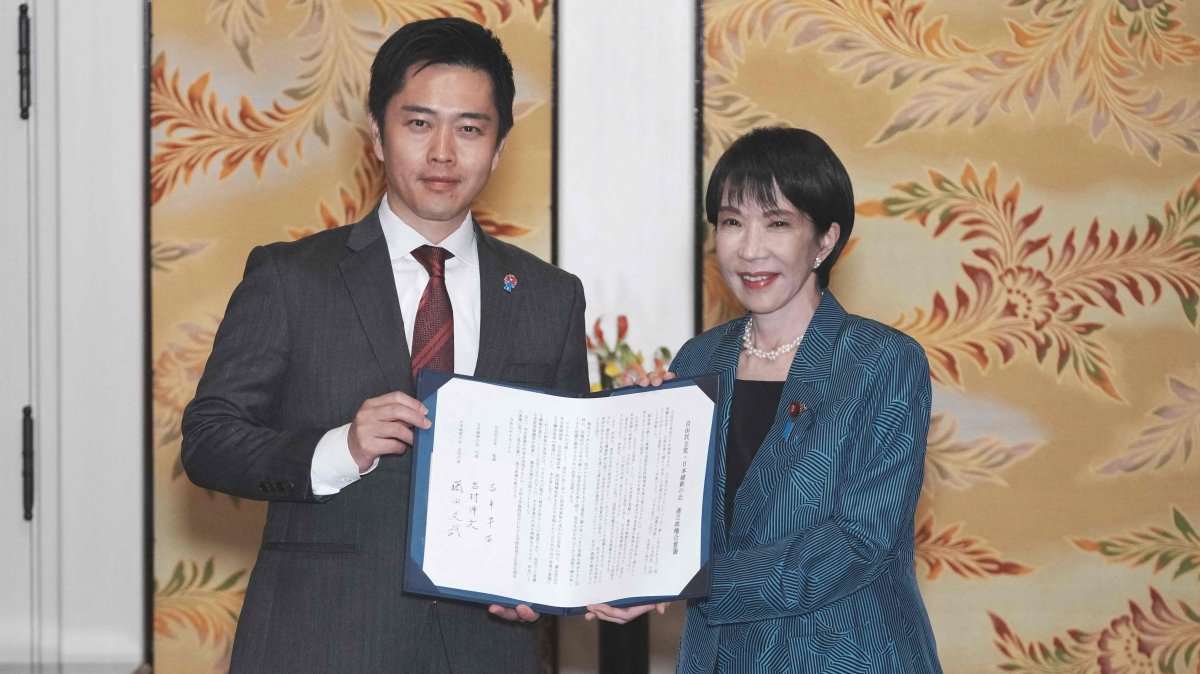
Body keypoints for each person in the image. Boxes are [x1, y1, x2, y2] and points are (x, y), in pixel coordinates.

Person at [181, 17, 587, 674]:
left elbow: (565, 484)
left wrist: (544, 588)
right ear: (376, 132)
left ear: (500, 144)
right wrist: (339, 447)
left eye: (470, 128)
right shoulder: (290, 277)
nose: (444, 153)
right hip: (319, 642)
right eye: (419, 124)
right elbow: (208, 441)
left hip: (485, 650)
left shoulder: (550, 296)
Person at [587, 127, 943, 672]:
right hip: (721, 657)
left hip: (847, 655)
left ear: (825, 240)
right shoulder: (698, 361)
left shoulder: (882, 363)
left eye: (778, 223)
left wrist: (693, 581)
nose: (750, 249)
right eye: (732, 222)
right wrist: (638, 436)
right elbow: (671, 524)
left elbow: (855, 544)